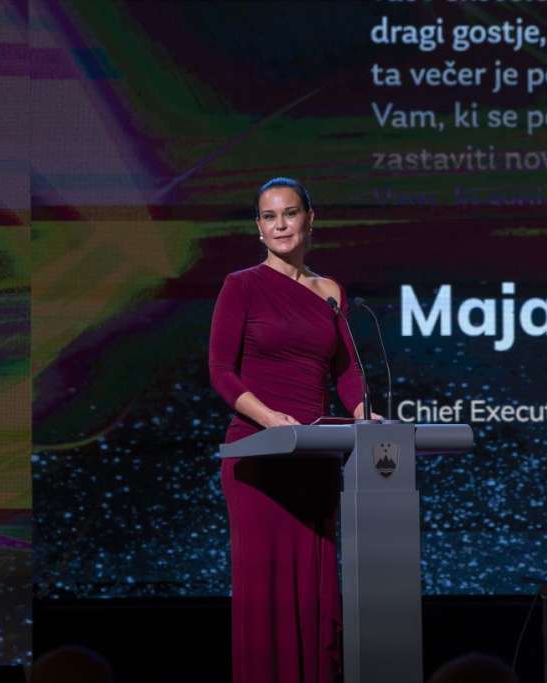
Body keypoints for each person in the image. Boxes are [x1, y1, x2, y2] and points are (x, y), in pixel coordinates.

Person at [209, 178, 375, 682]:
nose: (280, 225)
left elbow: (346, 371)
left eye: (289, 213)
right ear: (258, 227)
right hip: (259, 457)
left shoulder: (331, 293)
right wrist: (268, 418)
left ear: (309, 219)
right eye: (269, 216)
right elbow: (221, 370)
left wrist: (365, 415)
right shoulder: (241, 285)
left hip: (314, 459)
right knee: (267, 596)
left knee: (312, 592)